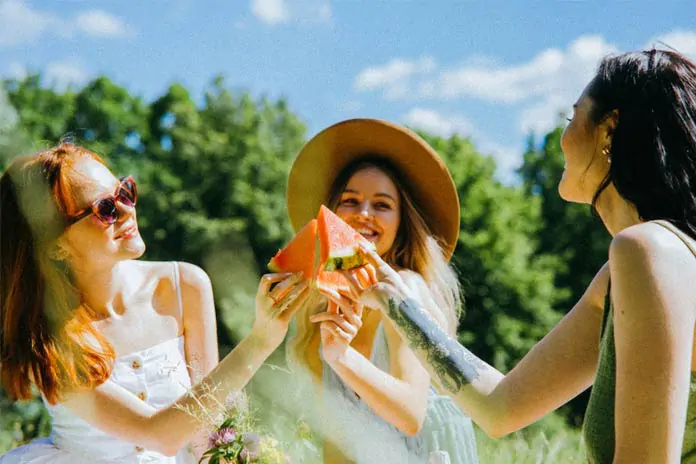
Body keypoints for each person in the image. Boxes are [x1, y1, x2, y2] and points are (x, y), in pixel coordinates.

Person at [343, 49, 696, 463]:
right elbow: (500, 406)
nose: (563, 135)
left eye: (572, 117)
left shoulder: (647, 251)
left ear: (609, 129)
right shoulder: (626, 272)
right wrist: (395, 302)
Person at [0, 142, 307, 463]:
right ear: (55, 246)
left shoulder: (184, 285)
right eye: (104, 208)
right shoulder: (44, 336)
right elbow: (159, 435)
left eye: (125, 192)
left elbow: (207, 436)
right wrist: (260, 340)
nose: (126, 211)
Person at [285, 119, 479, 464]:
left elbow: (410, 415)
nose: (363, 214)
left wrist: (343, 358)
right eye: (350, 201)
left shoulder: (406, 290)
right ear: (331, 214)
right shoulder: (319, 308)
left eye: (382, 205)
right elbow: (338, 443)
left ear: (402, 222)